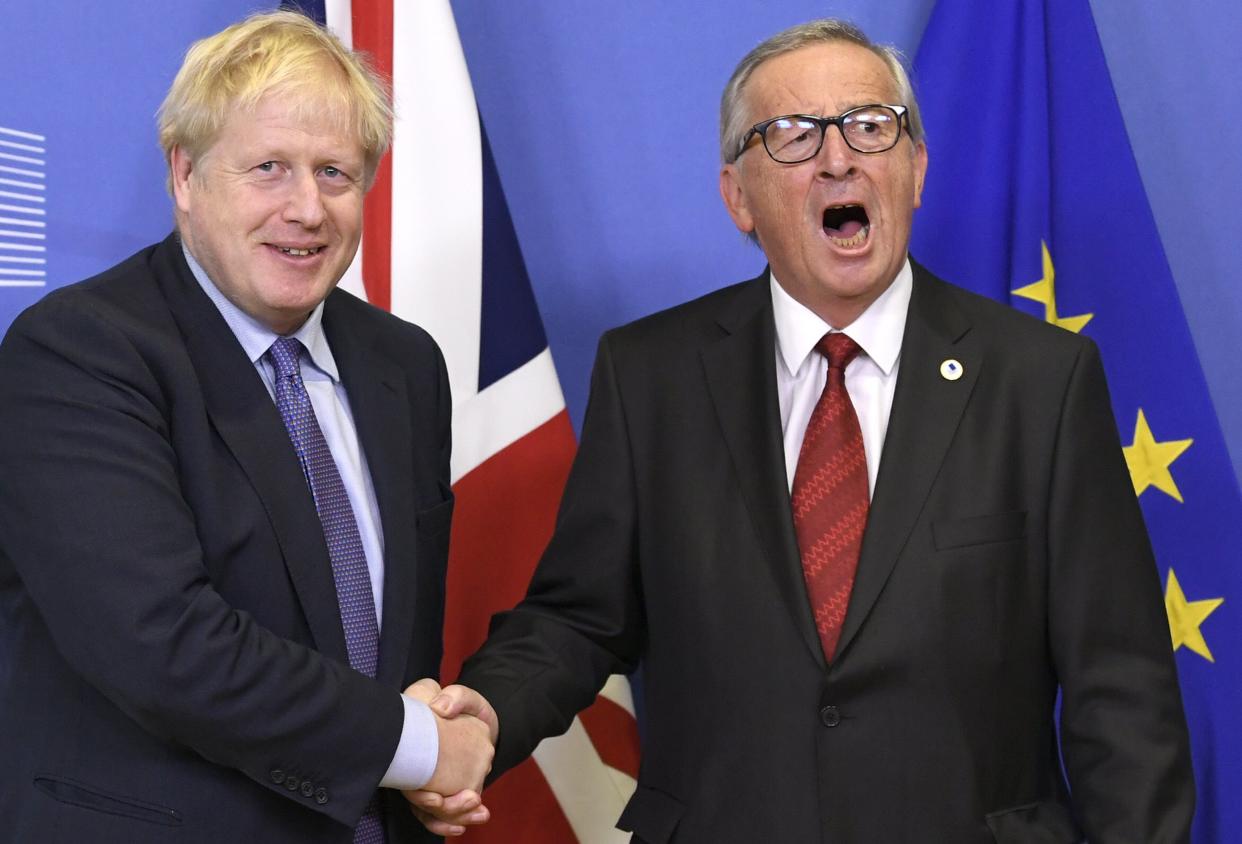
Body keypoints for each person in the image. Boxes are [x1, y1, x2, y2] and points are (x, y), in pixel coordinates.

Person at [417, 18, 1195, 843]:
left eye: (870, 126)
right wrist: (488, 715)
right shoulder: (650, 376)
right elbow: (580, 618)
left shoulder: (1042, 382)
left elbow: (1123, 693)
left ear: (916, 168)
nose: (837, 158)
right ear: (738, 198)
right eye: (791, 135)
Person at [0, 11, 493, 843]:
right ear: (186, 175)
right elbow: (162, 645)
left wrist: (437, 727)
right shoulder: (78, 351)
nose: (307, 208)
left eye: (335, 173)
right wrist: (416, 747)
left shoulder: (403, 364)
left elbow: (387, 643)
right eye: (269, 168)